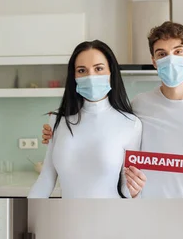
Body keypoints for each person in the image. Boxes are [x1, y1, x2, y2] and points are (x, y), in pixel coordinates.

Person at [41, 22, 183, 198]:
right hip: (149, 213)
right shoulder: (139, 106)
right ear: (154, 61)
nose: (170, 59)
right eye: (162, 54)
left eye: (178, 51)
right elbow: (101, 124)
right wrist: (58, 132)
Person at [28, 40, 145, 199]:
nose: (91, 77)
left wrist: (135, 190)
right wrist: (28, 214)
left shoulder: (131, 124)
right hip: (68, 218)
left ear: (111, 72)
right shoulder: (57, 120)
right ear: (74, 76)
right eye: (82, 70)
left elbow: (126, 187)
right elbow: (46, 179)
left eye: (98, 69)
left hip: (112, 218)